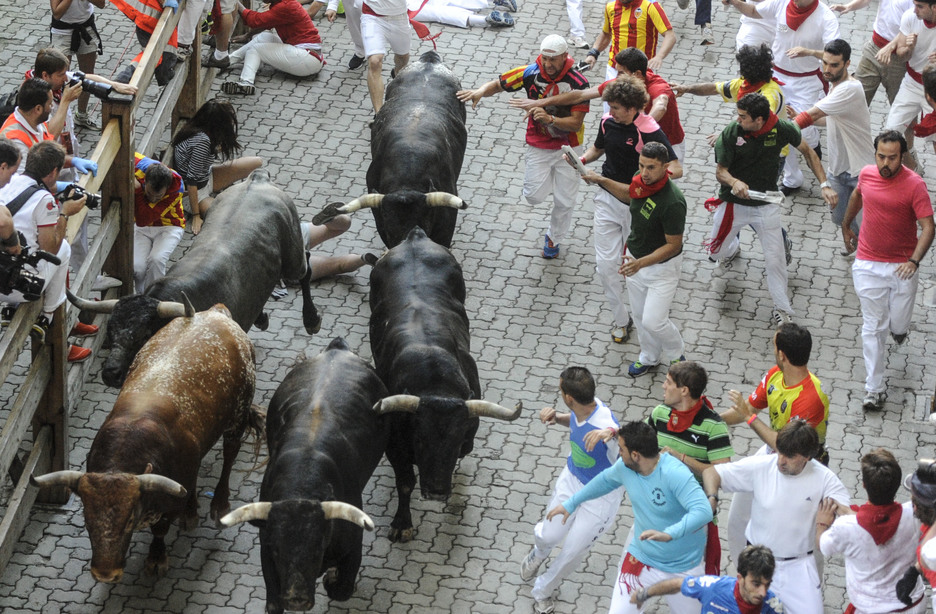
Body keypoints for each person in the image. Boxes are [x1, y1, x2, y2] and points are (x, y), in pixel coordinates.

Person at [547, 421, 712, 614]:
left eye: (622, 449)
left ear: (636, 455)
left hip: (683, 566)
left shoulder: (675, 473)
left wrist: (670, 534)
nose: (619, 453)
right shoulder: (625, 468)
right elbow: (604, 480)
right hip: (641, 558)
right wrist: (571, 503)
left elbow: (703, 511)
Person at [706, 92, 834, 327]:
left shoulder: (782, 128)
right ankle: (731, 248)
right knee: (715, 252)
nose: (738, 119)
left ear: (760, 120)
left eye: (743, 117)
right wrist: (734, 182)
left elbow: (808, 152)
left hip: (765, 205)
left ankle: (782, 309)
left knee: (775, 260)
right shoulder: (732, 132)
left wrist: (824, 185)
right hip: (733, 203)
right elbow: (720, 172)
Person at [457, 35, 589, 260]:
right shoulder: (529, 72)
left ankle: (553, 238)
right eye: (545, 58)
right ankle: (552, 183)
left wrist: (549, 119)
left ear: (565, 57)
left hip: (570, 147)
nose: (547, 64)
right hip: (538, 144)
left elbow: (575, 123)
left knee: (565, 201)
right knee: (534, 197)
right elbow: (499, 84)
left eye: (553, 59)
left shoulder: (579, 83)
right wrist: (480, 91)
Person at [703, 421, 850, 614]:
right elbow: (712, 472)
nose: (780, 460)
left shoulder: (825, 479)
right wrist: (712, 497)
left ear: (807, 457)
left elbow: (850, 517)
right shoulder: (761, 466)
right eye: (779, 451)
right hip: (757, 565)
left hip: (798, 568)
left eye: (789, 456)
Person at [574, 78, 678, 346]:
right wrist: (581, 160)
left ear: (633, 108)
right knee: (605, 266)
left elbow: (676, 168)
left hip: (637, 207)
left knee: (636, 268)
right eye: (609, 106)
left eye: (617, 107)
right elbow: (598, 148)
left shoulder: (650, 130)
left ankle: (650, 314)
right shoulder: (607, 122)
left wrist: (647, 180)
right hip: (607, 200)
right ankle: (622, 319)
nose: (611, 111)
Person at [719, 321, 830, 561]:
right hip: (771, 454)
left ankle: (811, 585)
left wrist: (749, 418)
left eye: (773, 345)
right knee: (738, 517)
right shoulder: (774, 375)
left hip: (803, 467)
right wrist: (715, 420)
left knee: (803, 536)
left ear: (782, 354)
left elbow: (786, 444)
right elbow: (748, 408)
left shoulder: (811, 398)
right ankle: (744, 577)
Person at [841, 130, 934, 412]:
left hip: (902, 268)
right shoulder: (867, 174)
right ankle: (874, 388)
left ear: (902, 157)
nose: (885, 163)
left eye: (892, 158)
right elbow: (858, 194)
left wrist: (914, 262)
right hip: (868, 264)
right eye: (881, 156)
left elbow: (928, 227)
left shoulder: (915, 185)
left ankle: (900, 330)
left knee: (897, 325)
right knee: (873, 326)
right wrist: (846, 224)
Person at [519, 367, 622, 614]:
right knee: (550, 535)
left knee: (573, 551)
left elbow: (623, 437)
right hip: (571, 481)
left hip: (601, 496)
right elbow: (575, 420)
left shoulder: (605, 423)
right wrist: (557, 418)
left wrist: (612, 433)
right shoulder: (585, 407)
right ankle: (539, 552)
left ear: (569, 398)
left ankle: (542, 591)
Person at [587, 141, 686, 377]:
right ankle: (649, 357)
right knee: (641, 317)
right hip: (635, 262)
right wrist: (602, 181)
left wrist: (640, 263)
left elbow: (673, 245)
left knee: (654, 320)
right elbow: (631, 195)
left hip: (661, 270)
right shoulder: (640, 180)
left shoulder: (673, 202)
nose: (644, 173)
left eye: (651, 167)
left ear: (665, 167)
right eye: (641, 165)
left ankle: (676, 354)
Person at [722, 0, 839, 193]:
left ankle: (818, 161)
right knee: (777, 128)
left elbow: (833, 55)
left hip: (806, 82)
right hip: (776, 77)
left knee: (805, 132)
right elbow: (752, 11)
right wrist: (734, 1)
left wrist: (808, 52)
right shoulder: (780, 3)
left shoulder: (826, 17)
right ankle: (792, 179)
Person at [0, 141, 93, 362]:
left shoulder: (8, 183)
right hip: (18, 287)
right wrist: (65, 213)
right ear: (53, 172)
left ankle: (9, 309)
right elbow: (50, 247)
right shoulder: (45, 200)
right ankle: (47, 316)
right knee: (63, 249)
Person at [515, 49, 684, 161]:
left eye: (621, 72)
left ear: (637, 74)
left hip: (668, 145)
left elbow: (660, 105)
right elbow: (579, 95)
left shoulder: (658, 87)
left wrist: (641, 126)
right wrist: (539, 102)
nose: (616, 76)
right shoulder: (621, 83)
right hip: (638, 143)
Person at [646, 361, 733, 574]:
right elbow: (641, 447)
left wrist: (681, 458)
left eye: (668, 382)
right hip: (658, 510)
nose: (663, 386)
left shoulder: (713, 427)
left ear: (684, 390)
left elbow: (722, 474)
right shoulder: (659, 414)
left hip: (692, 520)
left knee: (693, 586)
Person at [817, 448, 926, 614]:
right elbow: (882, 518)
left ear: (863, 485)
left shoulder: (845, 528)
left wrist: (822, 523)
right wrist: (847, 511)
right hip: (913, 604)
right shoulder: (915, 514)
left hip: (872, 608)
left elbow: (822, 545)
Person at [791, 39, 873, 238]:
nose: (827, 69)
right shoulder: (836, 85)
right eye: (825, 63)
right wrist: (797, 117)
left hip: (860, 170)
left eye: (834, 65)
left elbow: (813, 115)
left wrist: (786, 129)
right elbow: (828, 119)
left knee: (866, 226)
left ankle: (866, 255)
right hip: (837, 169)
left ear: (847, 64)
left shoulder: (850, 89)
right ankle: (852, 236)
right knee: (838, 218)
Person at [170, 98, 263, 235]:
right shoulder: (202, 141)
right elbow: (191, 180)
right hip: (193, 193)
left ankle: (234, 193)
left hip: (207, 177)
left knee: (257, 162)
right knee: (228, 217)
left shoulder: (200, 130)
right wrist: (196, 216)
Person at [629, 545, 783, 614]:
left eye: (767, 585)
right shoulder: (713, 588)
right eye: (756, 584)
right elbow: (677, 584)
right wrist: (644, 594)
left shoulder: (773, 606)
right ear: (740, 578)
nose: (763, 592)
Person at [221, 0, 324, 96]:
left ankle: (246, 82)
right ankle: (227, 60)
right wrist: (248, 35)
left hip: (307, 59)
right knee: (265, 37)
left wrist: (235, 2)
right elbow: (266, 24)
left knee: (256, 50)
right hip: (307, 56)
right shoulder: (282, 3)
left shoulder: (285, 6)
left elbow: (253, 20)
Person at [882, 0, 936, 171]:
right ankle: (913, 170)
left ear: (934, 7)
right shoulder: (910, 17)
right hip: (912, 83)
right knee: (889, 134)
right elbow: (901, 55)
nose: (914, 10)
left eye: (920, 6)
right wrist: (909, 48)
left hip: (934, 89)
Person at [829, 0, 912, 106]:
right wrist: (849, 6)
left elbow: (913, 24)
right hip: (873, 48)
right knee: (855, 98)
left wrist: (890, 47)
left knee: (901, 107)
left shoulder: (915, 4)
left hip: (899, 58)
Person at [583, 0, 676, 82]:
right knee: (611, 101)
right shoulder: (610, 6)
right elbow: (606, 34)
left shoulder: (651, 6)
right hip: (614, 69)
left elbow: (670, 36)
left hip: (640, 72)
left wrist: (659, 57)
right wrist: (593, 53)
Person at [132, 154, 184, 293]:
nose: (153, 199)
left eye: (158, 196)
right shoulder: (139, 165)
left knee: (156, 260)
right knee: (137, 268)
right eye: (149, 193)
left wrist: (138, 191)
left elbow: (144, 219)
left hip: (169, 227)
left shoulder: (177, 188)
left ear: (167, 188)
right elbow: (123, 154)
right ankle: (140, 297)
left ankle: (155, 298)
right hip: (142, 228)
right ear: (145, 180)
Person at [49, 0, 106, 129]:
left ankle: (81, 116)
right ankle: (59, 121)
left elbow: (101, 4)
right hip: (62, 32)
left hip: (86, 28)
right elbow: (57, 13)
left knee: (86, 76)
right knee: (59, 79)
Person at [111, 0, 180, 87]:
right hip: (149, 16)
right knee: (160, 53)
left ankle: (125, 77)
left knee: (154, 53)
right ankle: (125, 78)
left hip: (147, 16)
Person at [361, 0, 412, 113]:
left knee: (403, 57)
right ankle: (379, 114)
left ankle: (397, 72)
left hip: (399, 18)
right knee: (374, 62)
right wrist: (332, 5)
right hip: (372, 16)